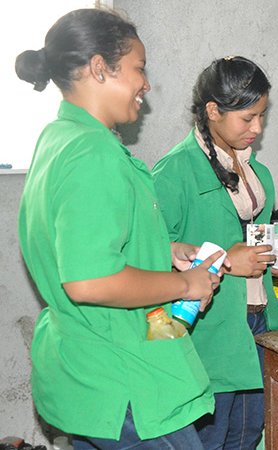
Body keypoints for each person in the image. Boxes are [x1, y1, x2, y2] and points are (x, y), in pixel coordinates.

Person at [16, 8, 224, 449]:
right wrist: (183, 284)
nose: (146, 84)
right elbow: (89, 281)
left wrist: (160, 250)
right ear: (99, 68)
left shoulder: (59, 140)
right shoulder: (93, 154)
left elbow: (81, 242)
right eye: (138, 68)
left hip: (85, 373)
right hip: (122, 379)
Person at [152, 56, 278, 450]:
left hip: (255, 318)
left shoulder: (257, 174)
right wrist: (228, 262)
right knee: (209, 436)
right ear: (213, 111)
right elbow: (148, 253)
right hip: (209, 329)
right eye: (247, 118)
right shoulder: (175, 173)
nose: (257, 128)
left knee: (249, 432)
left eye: (262, 116)